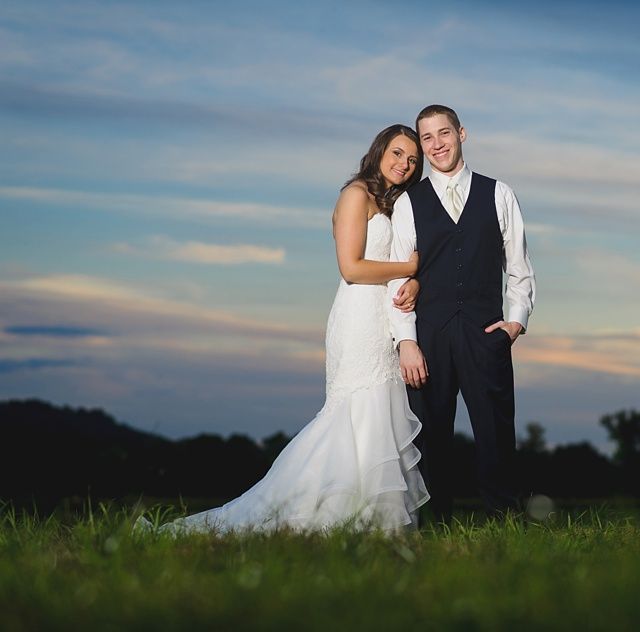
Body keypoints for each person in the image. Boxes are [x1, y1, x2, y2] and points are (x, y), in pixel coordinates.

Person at [140, 124, 430, 534]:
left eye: (412, 160)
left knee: (378, 413)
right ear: (380, 150)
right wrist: (410, 268)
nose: (404, 163)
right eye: (398, 153)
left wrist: (412, 281)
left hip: (384, 317)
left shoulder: (393, 204)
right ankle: (313, 511)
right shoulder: (356, 195)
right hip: (358, 316)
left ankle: (372, 519)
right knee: (353, 412)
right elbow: (351, 268)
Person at [388, 105, 536, 524]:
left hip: (485, 330)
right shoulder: (408, 202)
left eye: (444, 133)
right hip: (429, 334)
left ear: (461, 134)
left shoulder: (499, 192)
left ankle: (504, 521)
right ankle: (435, 526)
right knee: (431, 435)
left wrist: (514, 322)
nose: (436, 145)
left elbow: (519, 265)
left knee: (494, 431)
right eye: (427, 138)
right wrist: (406, 342)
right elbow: (397, 278)